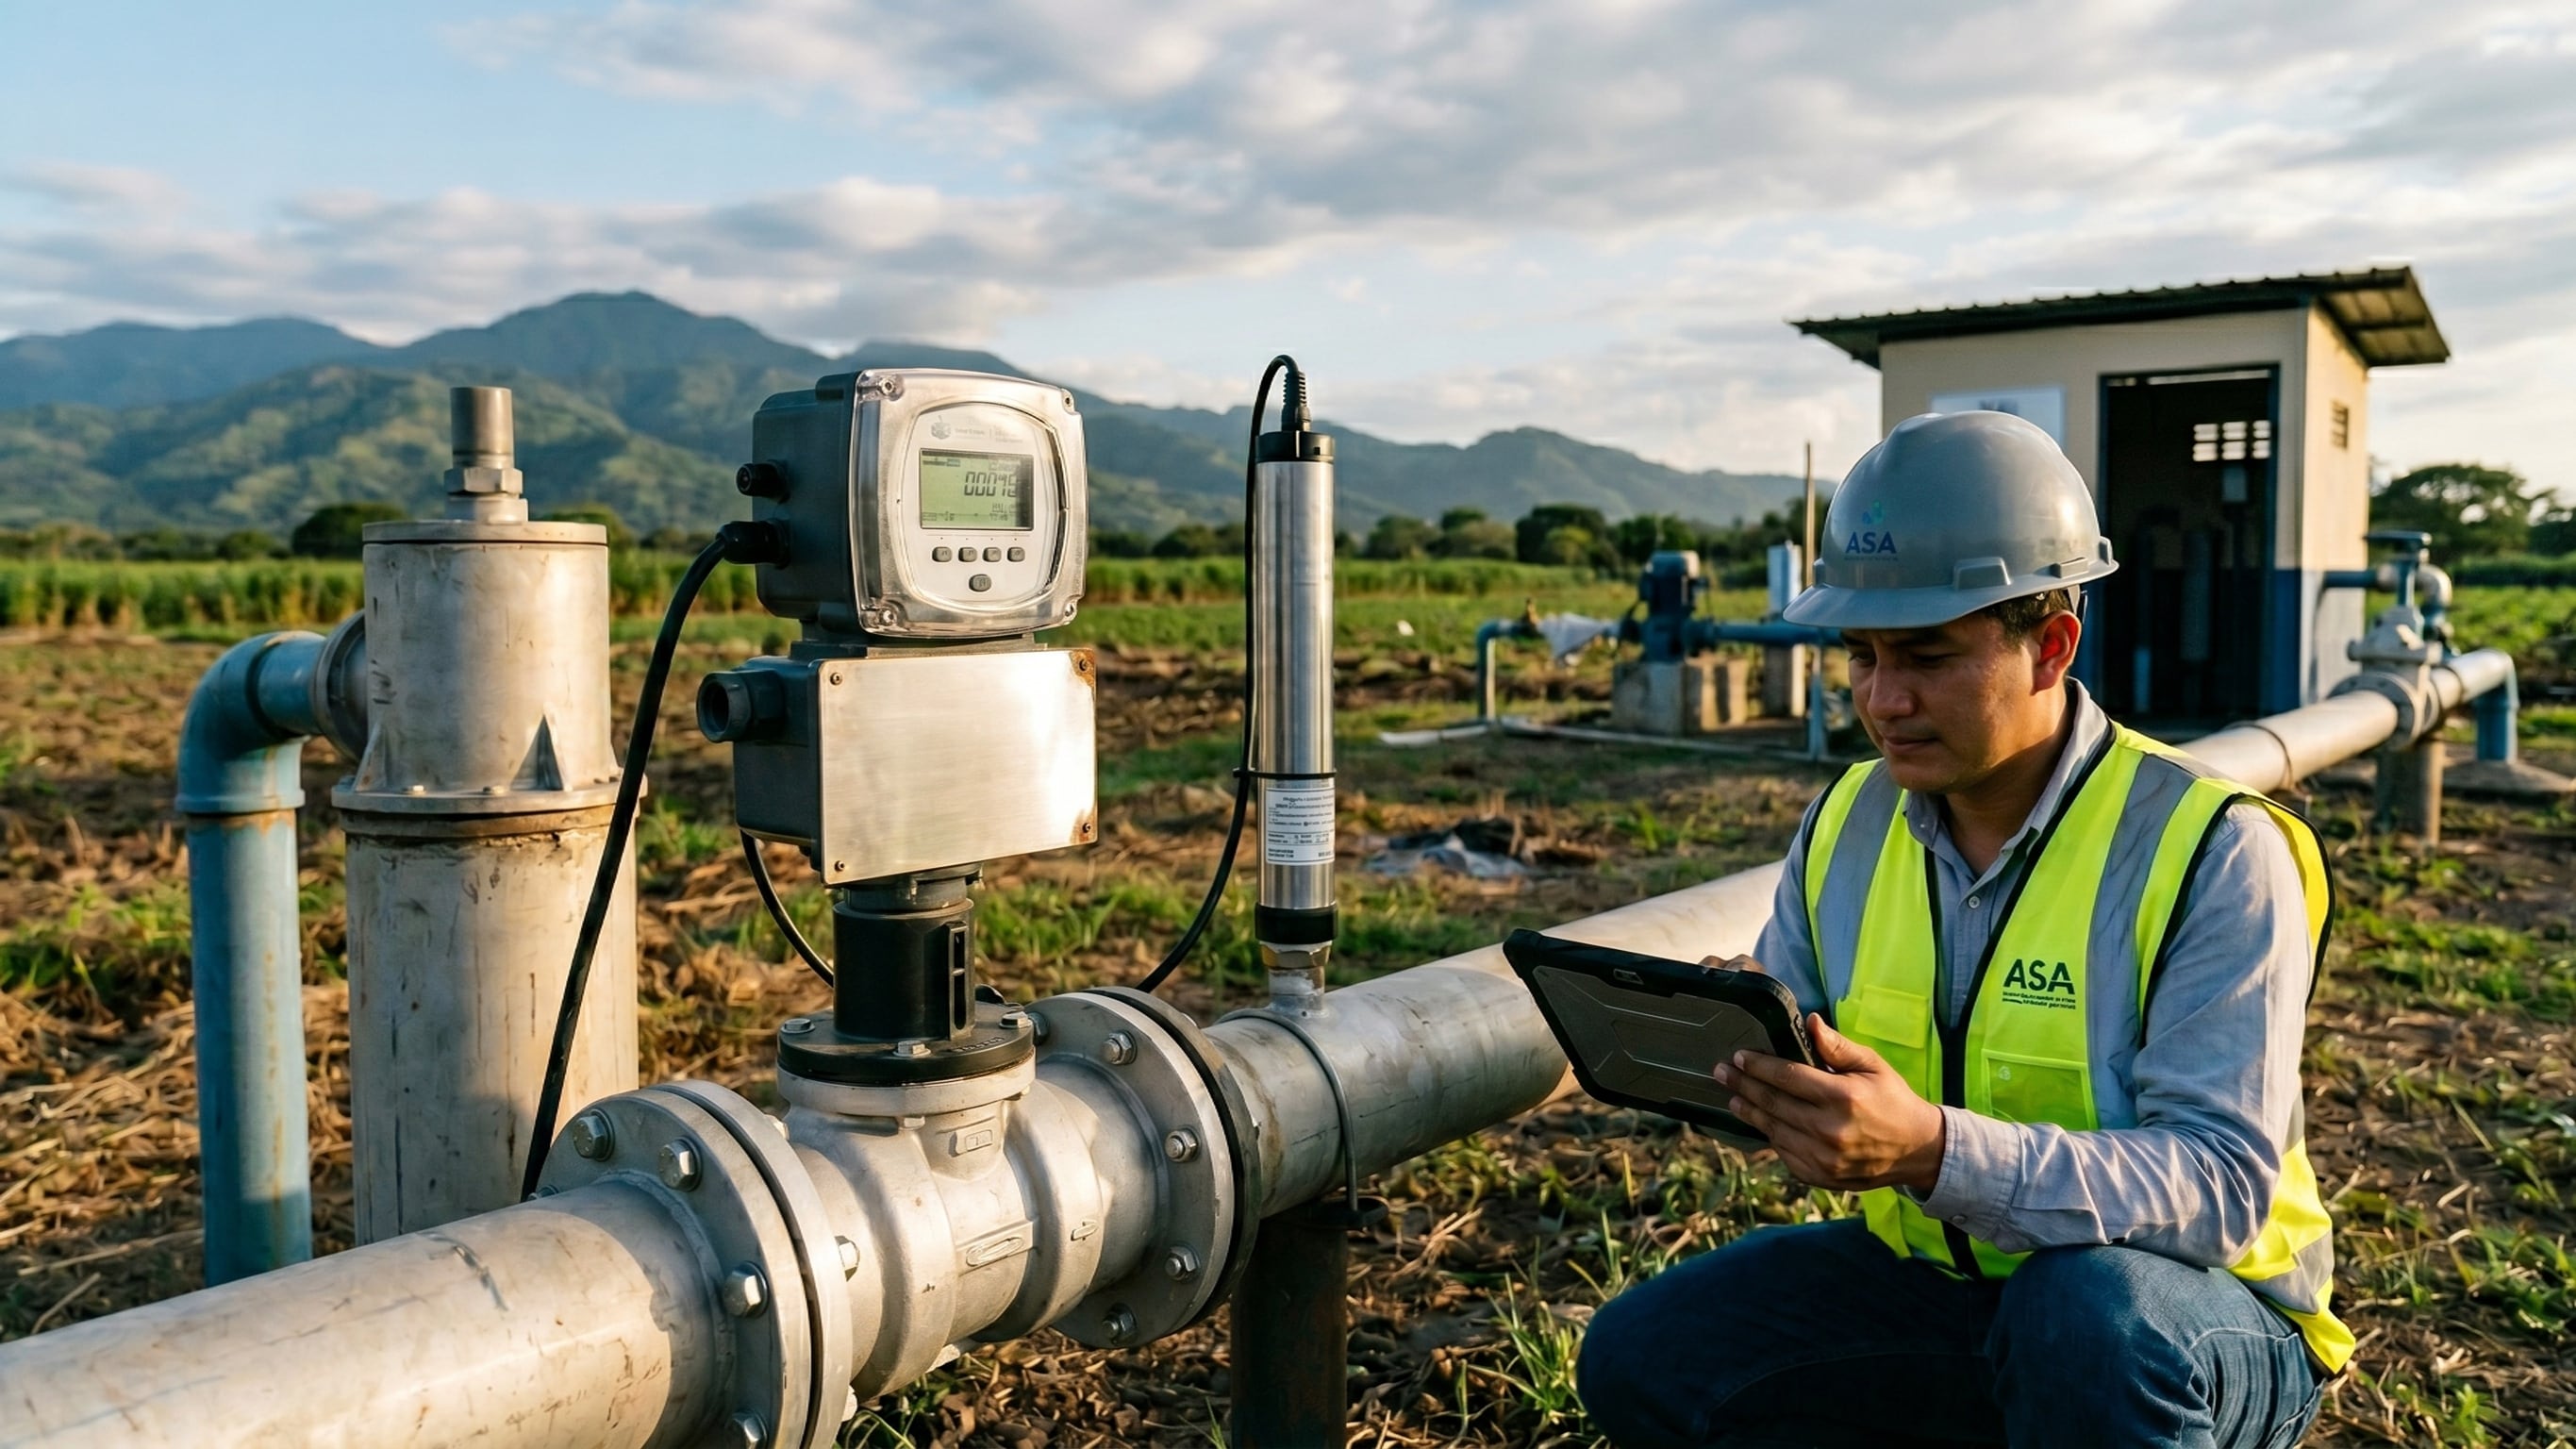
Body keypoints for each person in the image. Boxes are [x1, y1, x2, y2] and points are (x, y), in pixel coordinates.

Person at [1574, 410, 2346, 1449]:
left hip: (2195, 1317)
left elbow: (2217, 1191)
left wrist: (1934, 1152)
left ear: (2051, 647)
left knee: (2084, 1320)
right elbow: (1793, 1009)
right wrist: (1754, 1056)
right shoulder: (1846, 820)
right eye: (1861, 655)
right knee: (1644, 1353)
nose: (1884, 700)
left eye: (1929, 657)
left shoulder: (2209, 850)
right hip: (1945, 1285)